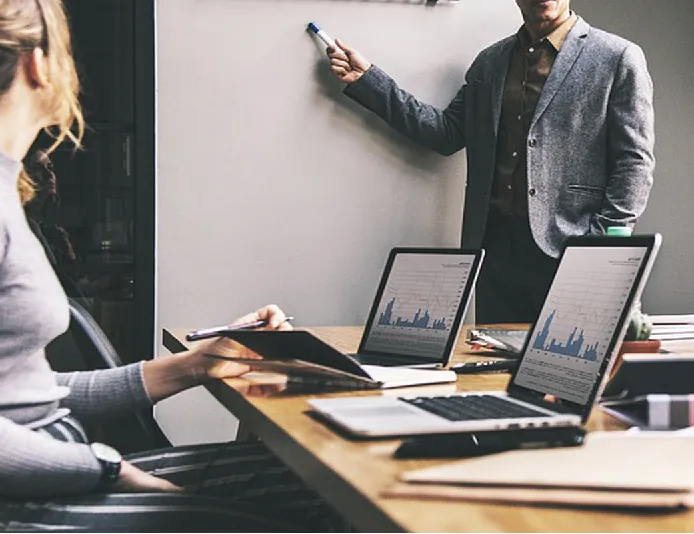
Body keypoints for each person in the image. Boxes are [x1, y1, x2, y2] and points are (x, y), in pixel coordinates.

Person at [0, 1, 341, 529]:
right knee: (331, 499)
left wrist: (194, 364)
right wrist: (109, 471)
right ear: (39, 65)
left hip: (55, 473)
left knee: (322, 475)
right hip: (32, 503)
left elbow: (24, 399)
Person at [326, 0, 654, 323]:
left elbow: (635, 161)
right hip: (494, 251)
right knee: (494, 370)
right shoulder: (490, 62)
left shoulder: (617, 57)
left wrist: (599, 243)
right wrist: (369, 80)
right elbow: (445, 133)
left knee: (564, 369)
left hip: (570, 249)